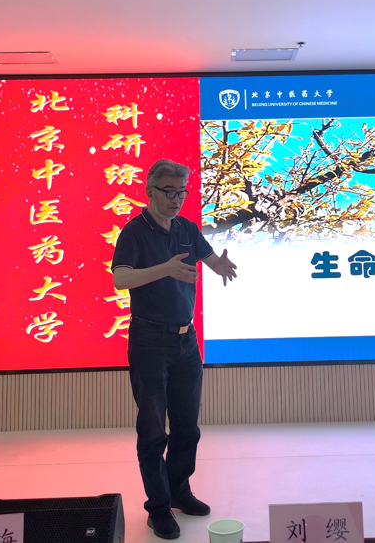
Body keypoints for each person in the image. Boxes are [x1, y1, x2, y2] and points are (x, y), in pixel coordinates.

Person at [111, 158, 238, 539]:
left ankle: (179, 491)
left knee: (187, 427)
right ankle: (158, 507)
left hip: (186, 340)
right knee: (153, 431)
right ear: (150, 192)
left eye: (181, 192)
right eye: (169, 191)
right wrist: (164, 269)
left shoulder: (187, 228)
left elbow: (209, 259)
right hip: (149, 340)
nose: (176, 198)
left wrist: (220, 266)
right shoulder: (134, 231)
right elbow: (121, 279)